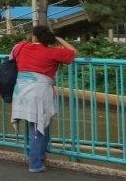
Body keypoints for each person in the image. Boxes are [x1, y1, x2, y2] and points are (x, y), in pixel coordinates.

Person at [11, 25, 77, 173]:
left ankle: (40, 157)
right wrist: (60, 39)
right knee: (39, 126)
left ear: (34, 37)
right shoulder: (53, 52)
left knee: (36, 125)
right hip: (40, 92)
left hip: (20, 90)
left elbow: (13, 55)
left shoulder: (21, 47)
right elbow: (74, 53)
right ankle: (35, 164)